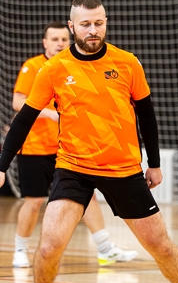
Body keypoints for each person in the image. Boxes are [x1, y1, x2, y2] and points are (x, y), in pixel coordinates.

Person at [0, 0, 178, 283]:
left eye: (99, 23)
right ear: (72, 26)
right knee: (49, 246)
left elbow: (146, 114)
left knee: (161, 246)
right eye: (86, 24)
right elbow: (24, 119)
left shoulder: (127, 63)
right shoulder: (54, 69)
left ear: (105, 22)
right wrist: (2, 165)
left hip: (123, 168)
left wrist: (154, 163)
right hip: (73, 167)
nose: (93, 30)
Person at [10, 21, 139, 269]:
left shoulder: (75, 66)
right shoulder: (34, 67)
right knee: (34, 201)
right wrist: (51, 114)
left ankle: (106, 249)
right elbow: (18, 102)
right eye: (54, 39)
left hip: (69, 150)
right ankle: (20, 250)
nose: (60, 43)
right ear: (45, 42)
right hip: (36, 147)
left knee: (87, 198)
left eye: (63, 39)